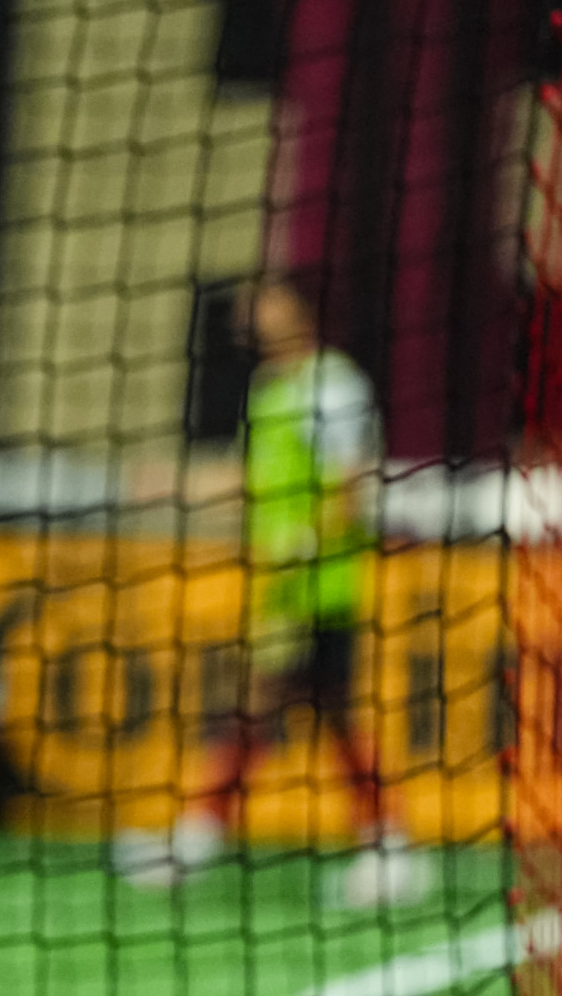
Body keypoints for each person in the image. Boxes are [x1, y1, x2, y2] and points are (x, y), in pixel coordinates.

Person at [132, 271, 409, 906]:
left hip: (324, 588)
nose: (255, 314)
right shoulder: (270, 390)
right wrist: (175, 485)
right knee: (292, 716)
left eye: (269, 301)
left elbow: (353, 483)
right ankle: (384, 845)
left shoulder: (332, 385)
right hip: (283, 592)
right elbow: (250, 478)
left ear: (301, 309)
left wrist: (308, 543)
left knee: (270, 712)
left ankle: (201, 838)